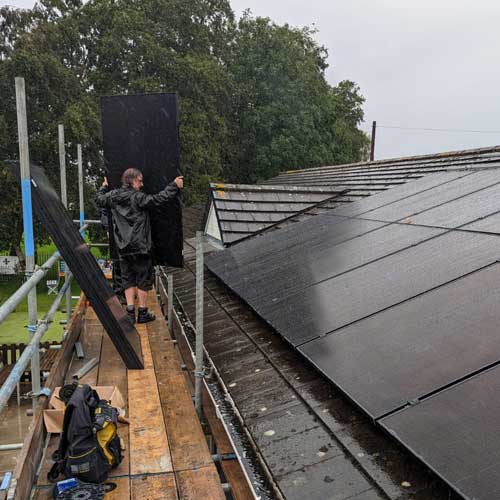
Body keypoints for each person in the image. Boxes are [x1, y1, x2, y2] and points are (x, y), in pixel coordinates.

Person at [95, 168, 183, 324]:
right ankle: (142, 312)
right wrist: (174, 185)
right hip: (140, 245)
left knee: (127, 278)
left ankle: (130, 312)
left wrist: (104, 186)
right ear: (131, 180)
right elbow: (159, 199)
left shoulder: (113, 196)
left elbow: (99, 199)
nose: (142, 184)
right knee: (143, 278)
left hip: (122, 245)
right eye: (139, 180)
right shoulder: (138, 198)